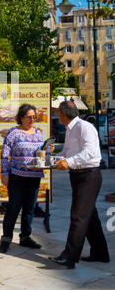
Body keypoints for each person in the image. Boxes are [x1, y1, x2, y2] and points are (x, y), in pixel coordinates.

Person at [50, 101, 110, 269]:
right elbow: (68, 152)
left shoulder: (84, 127)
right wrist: (56, 159)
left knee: (78, 216)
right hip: (78, 175)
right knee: (89, 215)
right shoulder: (70, 129)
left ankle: (69, 256)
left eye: (58, 113)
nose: (57, 115)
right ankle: (101, 253)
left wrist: (68, 162)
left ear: (64, 114)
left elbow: (90, 153)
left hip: (89, 175)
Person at [0, 104, 45, 254]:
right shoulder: (13, 133)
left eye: (34, 117)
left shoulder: (38, 132)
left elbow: (41, 151)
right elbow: (4, 155)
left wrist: (46, 151)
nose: (32, 119)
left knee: (29, 209)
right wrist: (4, 174)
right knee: (13, 208)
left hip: (34, 176)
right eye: (29, 117)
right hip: (17, 176)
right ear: (21, 117)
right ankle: (6, 239)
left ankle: (25, 237)